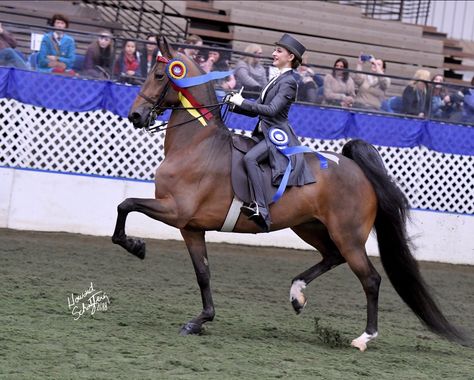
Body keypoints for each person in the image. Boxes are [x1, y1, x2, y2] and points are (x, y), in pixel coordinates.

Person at [227, 34, 315, 231]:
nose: (274, 54)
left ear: (290, 57)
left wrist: (243, 102)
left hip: (278, 135)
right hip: (264, 133)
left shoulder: (289, 82)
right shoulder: (276, 79)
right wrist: (234, 105)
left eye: (279, 51)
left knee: (250, 158)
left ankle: (262, 209)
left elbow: (272, 111)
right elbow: (256, 108)